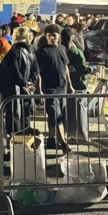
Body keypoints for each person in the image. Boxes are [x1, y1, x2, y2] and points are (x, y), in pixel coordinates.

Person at [0, 25, 41, 138]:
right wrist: (29, 83)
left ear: (15, 37)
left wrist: (24, 83)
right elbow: (36, 70)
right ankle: (25, 143)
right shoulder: (31, 52)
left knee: (14, 116)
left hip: (14, 91)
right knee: (25, 116)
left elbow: (12, 71)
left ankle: (16, 142)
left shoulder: (14, 52)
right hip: (26, 90)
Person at [36, 24, 73, 152]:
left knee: (58, 116)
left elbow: (65, 66)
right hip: (49, 88)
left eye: (54, 35)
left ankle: (51, 139)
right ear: (46, 36)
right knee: (55, 115)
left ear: (58, 36)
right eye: (49, 35)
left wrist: (70, 84)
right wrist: (40, 89)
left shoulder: (62, 49)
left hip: (62, 87)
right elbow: (39, 72)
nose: (52, 37)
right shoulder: (41, 51)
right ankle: (63, 142)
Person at [62, 27, 91, 143]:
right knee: (81, 112)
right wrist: (91, 70)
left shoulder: (61, 51)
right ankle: (82, 134)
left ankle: (66, 133)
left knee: (66, 112)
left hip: (64, 85)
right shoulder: (77, 52)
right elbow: (83, 69)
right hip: (78, 84)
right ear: (72, 38)